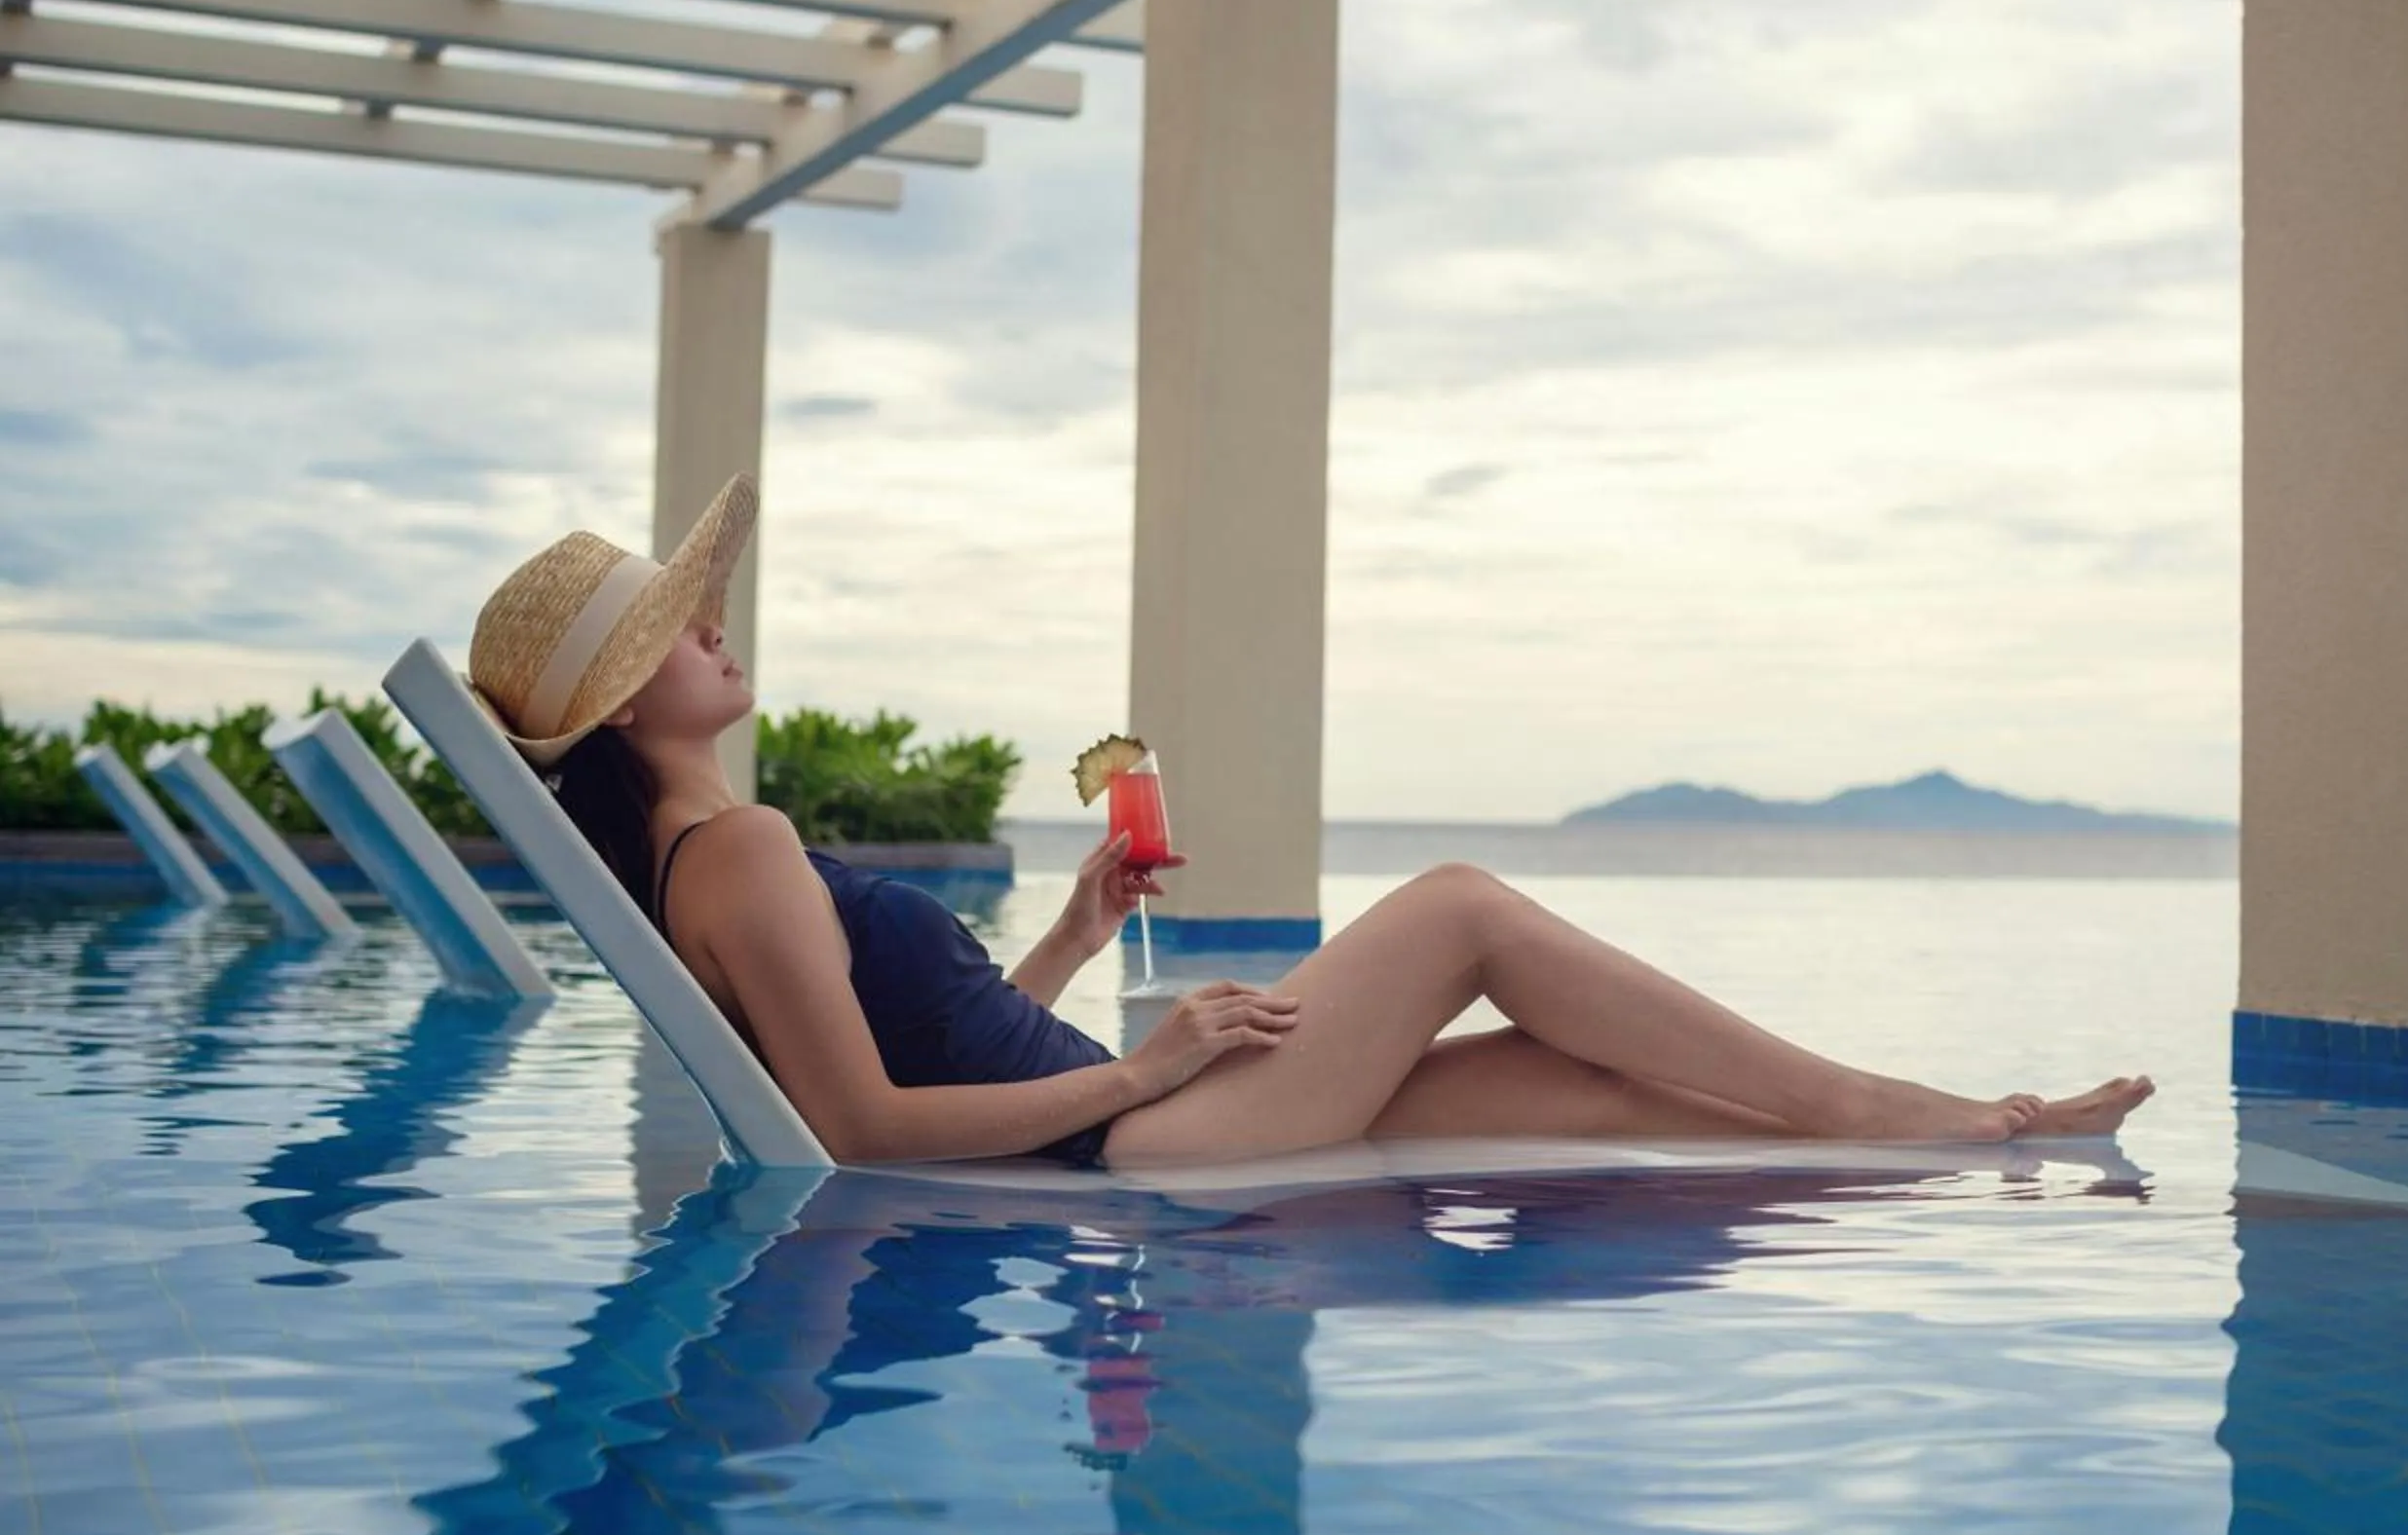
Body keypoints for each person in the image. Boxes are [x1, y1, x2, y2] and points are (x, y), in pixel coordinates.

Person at [463, 472, 2154, 1171]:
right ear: (618, 705)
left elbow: (931, 1049)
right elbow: (860, 1127)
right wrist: (1152, 1070)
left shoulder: (710, 861)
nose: (716, 626)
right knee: (1462, 903)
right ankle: (1891, 1104)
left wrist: (1075, 937)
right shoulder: (741, 853)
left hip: (1123, 1118)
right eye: (676, 626)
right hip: (1137, 1144)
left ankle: (1937, 1150)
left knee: (1589, 1083)